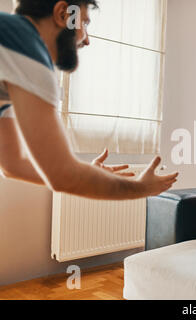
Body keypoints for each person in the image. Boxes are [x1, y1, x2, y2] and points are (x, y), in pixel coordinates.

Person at [0, 0, 178, 200]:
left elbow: (12, 165)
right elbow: (62, 176)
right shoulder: (27, 46)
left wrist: (84, 172)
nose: (86, 40)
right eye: (84, 24)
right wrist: (141, 188)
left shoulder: (11, 65)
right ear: (63, 14)